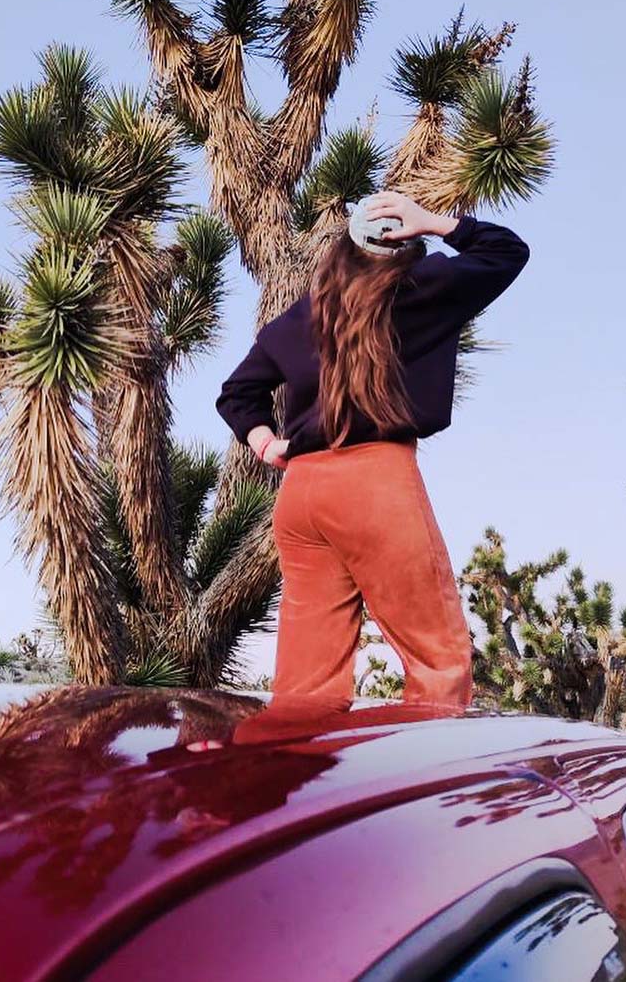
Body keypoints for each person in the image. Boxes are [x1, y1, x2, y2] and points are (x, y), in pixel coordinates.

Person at [216, 190, 530, 709]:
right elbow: (505, 251)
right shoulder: (420, 290)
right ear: (404, 248)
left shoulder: (302, 318)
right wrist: (432, 221)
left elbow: (236, 392)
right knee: (437, 660)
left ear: (343, 250)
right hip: (375, 482)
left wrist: (266, 442)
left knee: (305, 683)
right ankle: (421, 783)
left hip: (302, 493)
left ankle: (296, 781)